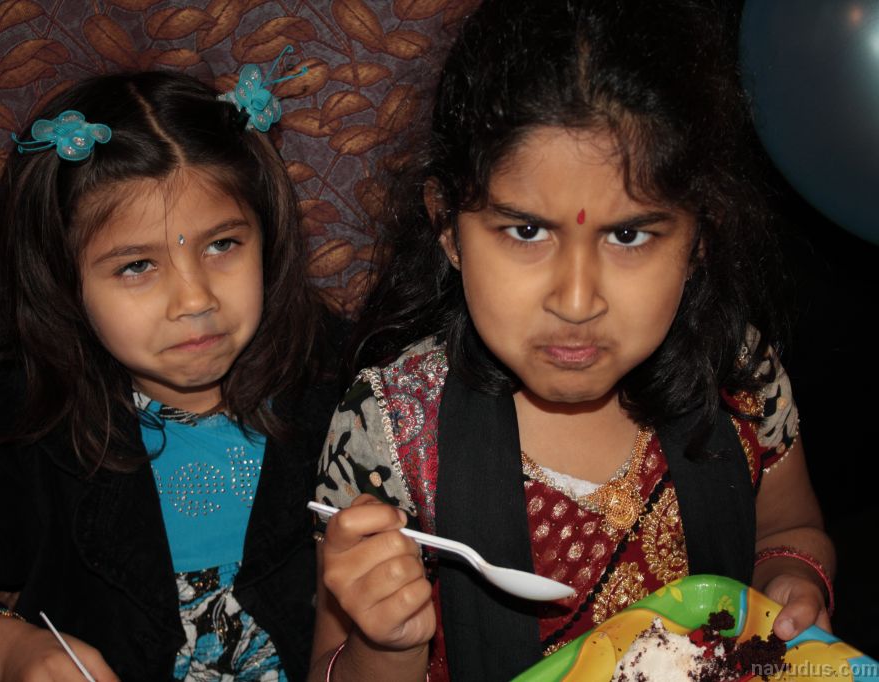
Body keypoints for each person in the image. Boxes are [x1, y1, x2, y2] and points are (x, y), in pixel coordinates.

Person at [309, 1, 835, 681]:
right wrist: (384, 646)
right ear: (448, 227)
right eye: (527, 231)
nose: (577, 301)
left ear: (699, 235)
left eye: (628, 234)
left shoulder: (739, 375)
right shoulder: (385, 431)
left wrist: (793, 578)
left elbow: (788, 531)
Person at [0, 69, 340, 681]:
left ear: (267, 239)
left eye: (222, 245)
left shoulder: (341, 383)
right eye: (136, 265)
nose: (195, 299)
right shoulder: (20, 425)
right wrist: (10, 650)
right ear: (62, 282)